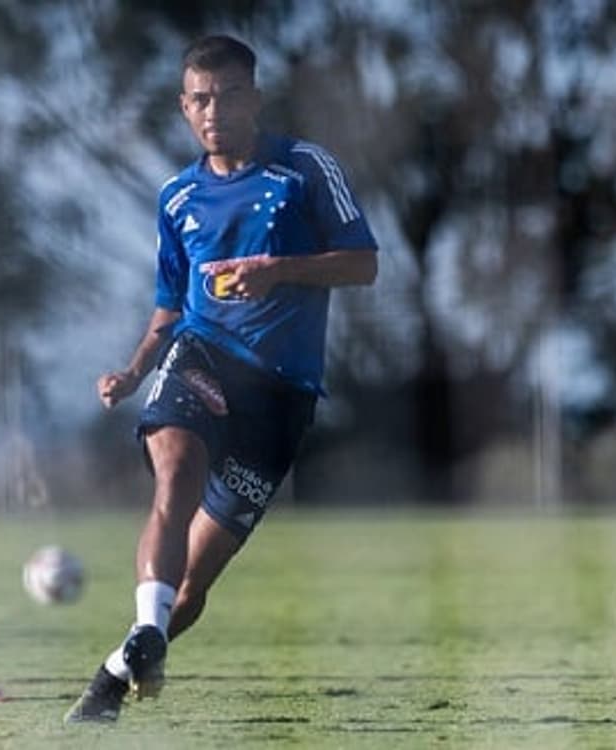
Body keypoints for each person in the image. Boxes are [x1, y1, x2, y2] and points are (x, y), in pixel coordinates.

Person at [64, 34, 379, 724]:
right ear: (184, 108)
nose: (215, 110)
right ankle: (145, 633)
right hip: (203, 354)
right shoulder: (176, 196)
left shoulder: (303, 169)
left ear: (255, 99)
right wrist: (134, 367)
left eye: (230, 94)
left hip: (283, 395)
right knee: (174, 470)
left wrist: (281, 269)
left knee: (194, 584)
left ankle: (121, 668)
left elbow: (364, 263)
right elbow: (169, 305)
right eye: (201, 99)